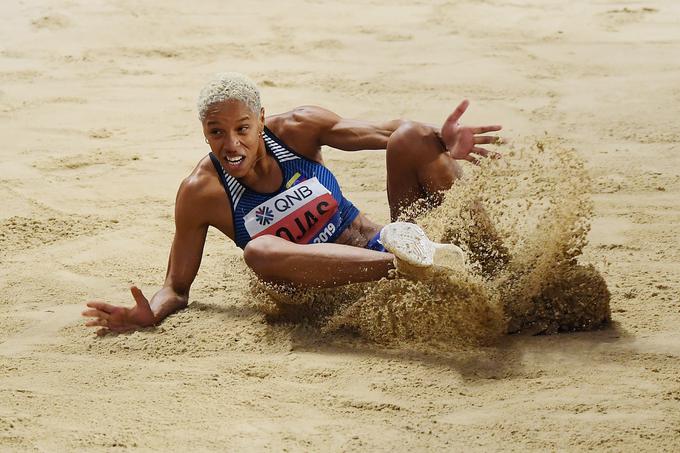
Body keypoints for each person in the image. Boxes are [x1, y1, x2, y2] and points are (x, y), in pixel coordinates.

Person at [82, 72, 502, 335]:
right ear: (204, 132)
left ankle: (498, 269)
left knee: (412, 136)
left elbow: (388, 129)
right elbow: (175, 287)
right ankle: (408, 267)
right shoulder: (201, 192)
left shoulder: (298, 130)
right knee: (258, 250)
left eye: (242, 128)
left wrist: (442, 140)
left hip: (393, 240)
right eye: (216, 133)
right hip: (343, 291)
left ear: (262, 119)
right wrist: (149, 314)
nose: (232, 145)